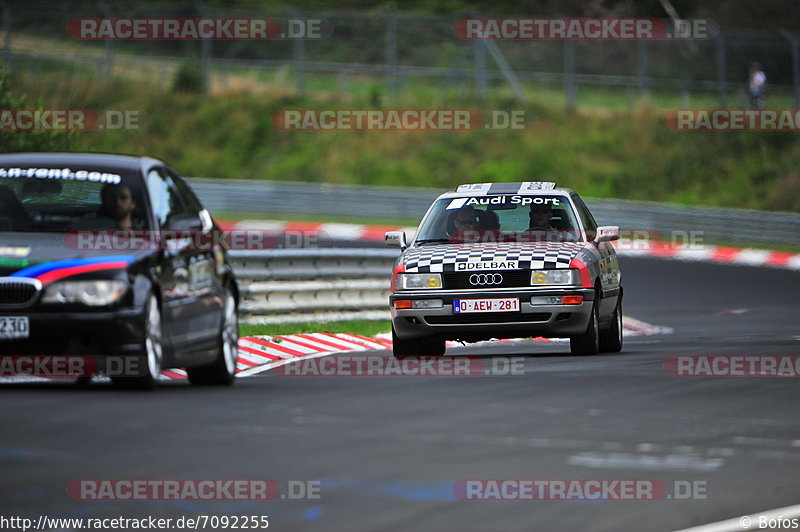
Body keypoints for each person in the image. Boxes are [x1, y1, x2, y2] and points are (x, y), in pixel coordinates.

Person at [73, 183, 139, 230]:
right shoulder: (87, 230)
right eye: (111, 198)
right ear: (104, 201)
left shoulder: (143, 234)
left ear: (133, 203)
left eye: (123, 198)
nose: (117, 203)